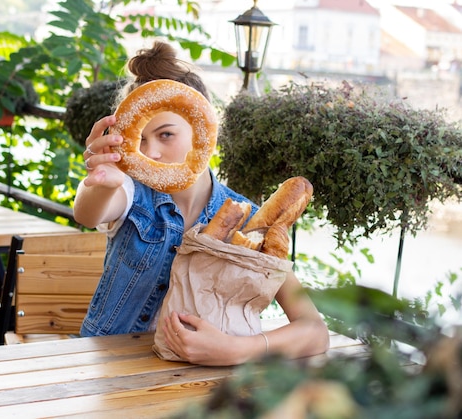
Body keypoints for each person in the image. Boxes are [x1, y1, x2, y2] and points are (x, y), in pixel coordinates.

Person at [73, 41, 329, 366]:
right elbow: (87, 211)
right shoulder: (129, 191)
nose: (150, 153)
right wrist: (99, 180)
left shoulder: (245, 221)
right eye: (140, 140)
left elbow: (314, 331)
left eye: (166, 135)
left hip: (200, 381)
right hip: (112, 368)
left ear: (203, 130)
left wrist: (235, 350)